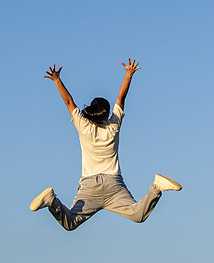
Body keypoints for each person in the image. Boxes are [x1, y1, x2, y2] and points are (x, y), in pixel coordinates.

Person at [30, 58, 182, 231]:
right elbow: (121, 97)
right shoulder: (113, 126)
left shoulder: (83, 126)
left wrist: (57, 80)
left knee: (70, 223)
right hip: (113, 186)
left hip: (90, 188)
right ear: (108, 112)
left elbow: (69, 102)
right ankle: (156, 188)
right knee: (138, 215)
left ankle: (52, 201)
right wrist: (129, 74)